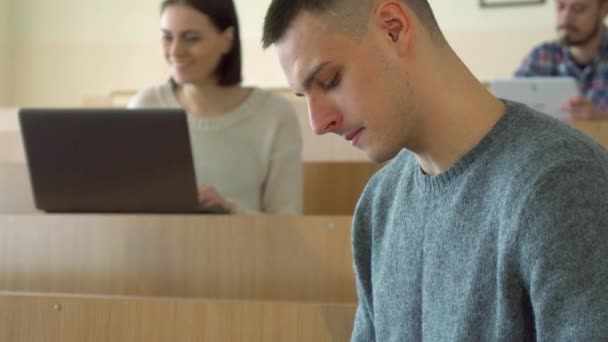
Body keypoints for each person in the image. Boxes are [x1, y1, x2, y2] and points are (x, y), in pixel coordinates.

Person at [262, 0, 608, 340]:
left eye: (330, 79)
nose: (318, 123)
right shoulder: (379, 202)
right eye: (303, 96)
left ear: (393, 29)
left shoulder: (560, 183)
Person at [129, 0, 302, 215]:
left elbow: (287, 222)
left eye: (191, 38)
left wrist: (230, 210)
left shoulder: (275, 115)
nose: (175, 50)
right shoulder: (145, 106)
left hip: (243, 247)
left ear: (227, 40)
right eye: (167, 37)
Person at [515, 0, 608, 120]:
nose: (566, 17)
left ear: (604, 10)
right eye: (561, 6)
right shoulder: (541, 56)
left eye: (579, 8)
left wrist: (599, 117)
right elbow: (513, 109)